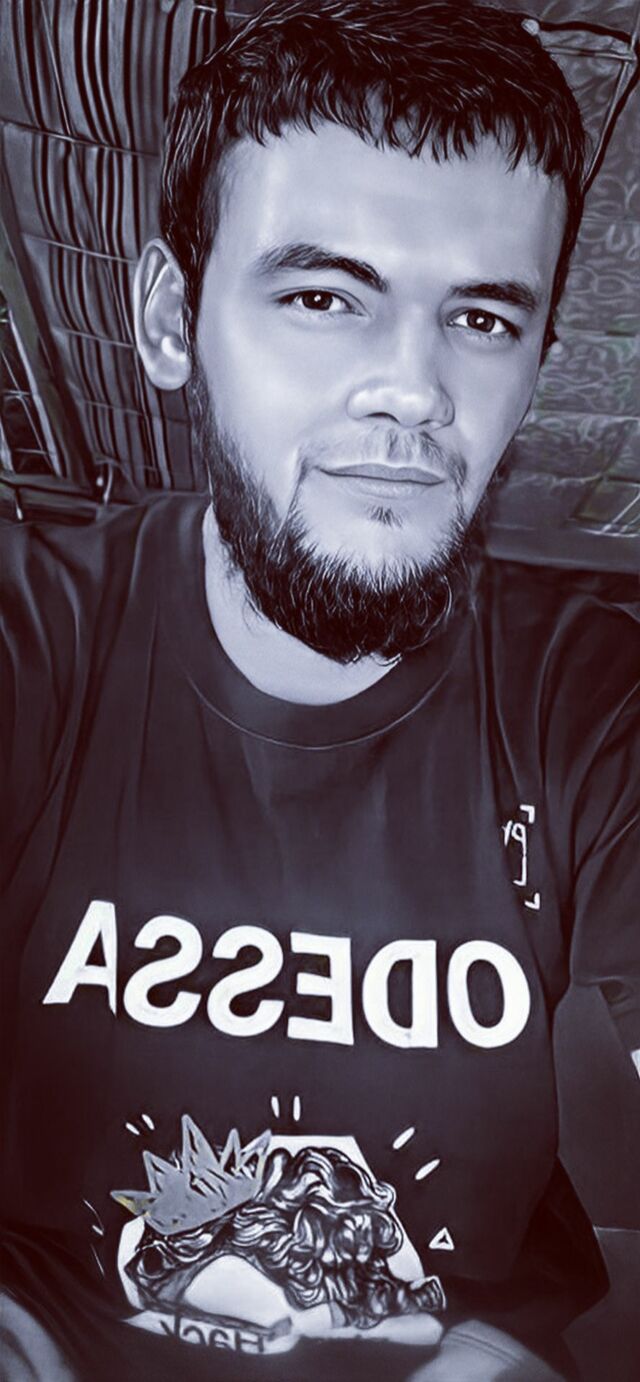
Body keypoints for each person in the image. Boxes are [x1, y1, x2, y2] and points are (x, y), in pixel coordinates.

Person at [1, 2, 638, 1380]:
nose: (413, 392)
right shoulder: (36, 640)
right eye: (322, 297)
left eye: (480, 317)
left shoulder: (595, 698)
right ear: (170, 320)